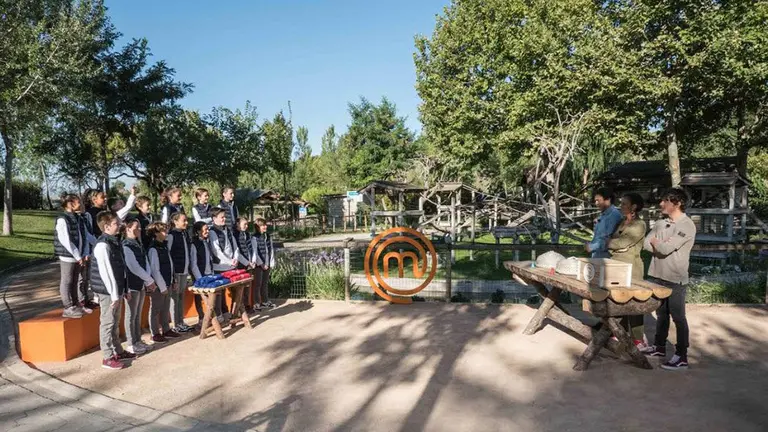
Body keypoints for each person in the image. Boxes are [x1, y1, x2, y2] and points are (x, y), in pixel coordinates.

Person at [642, 187, 697, 370]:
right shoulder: (660, 223)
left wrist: (656, 242)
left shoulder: (686, 225)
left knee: (678, 317)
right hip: (657, 275)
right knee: (661, 314)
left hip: (675, 278)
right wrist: (660, 243)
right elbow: (645, 244)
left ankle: (682, 356)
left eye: (665, 200)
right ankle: (659, 347)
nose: (661, 203)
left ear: (677, 202)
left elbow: (663, 249)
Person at [90, 211, 135, 370]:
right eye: (117, 223)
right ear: (107, 226)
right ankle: (107, 357)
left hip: (117, 291)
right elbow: (105, 272)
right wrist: (114, 295)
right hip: (108, 292)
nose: (120, 225)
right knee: (108, 323)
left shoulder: (115, 242)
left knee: (115, 322)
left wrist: (125, 288)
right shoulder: (103, 245)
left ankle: (118, 350)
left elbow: (121, 268)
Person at [607, 193, 648, 350]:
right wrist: (616, 244)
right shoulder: (622, 222)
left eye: (624, 204)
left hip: (632, 268)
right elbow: (617, 243)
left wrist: (612, 243)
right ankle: (620, 332)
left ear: (634, 207)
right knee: (618, 300)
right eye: (621, 203)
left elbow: (623, 242)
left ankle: (638, 338)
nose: (621, 206)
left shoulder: (639, 225)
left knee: (635, 303)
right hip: (617, 266)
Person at [54, 194, 94, 318]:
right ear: (70, 203)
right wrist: (77, 255)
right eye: (78, 202)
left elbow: (86, 236)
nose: (81, 204)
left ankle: (76, 304)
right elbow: (65, 240)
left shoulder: (79, 218)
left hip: (79, 255)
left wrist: (86, 252)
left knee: (75, 280)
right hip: (68, 255)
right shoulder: (62, 219)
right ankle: (68, 307)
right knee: (67, 280)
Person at [121, 216, 156, 355]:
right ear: (128, 228)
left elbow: (145, 262)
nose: (139, 230)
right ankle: (131, 343)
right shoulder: (126, 245)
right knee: (131, 315)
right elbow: (133, 267)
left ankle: (137, 340)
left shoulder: (138, 243)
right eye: (136, 228)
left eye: (140, 228)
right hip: (132, 284)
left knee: (137, 314)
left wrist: (148, 279)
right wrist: (149, 280)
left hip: (141, 283)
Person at [147, 222, 180, 343]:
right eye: (163, 231)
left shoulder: (164, 246)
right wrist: (162, 287)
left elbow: (170, 264)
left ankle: (166, 329)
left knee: (165, 308)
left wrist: (173, 280)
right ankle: (154, 332)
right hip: (159, 286)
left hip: (168, 282)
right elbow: (155, 270)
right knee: (156, 309)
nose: (166, 233)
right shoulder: (153, 249)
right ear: (156, 233)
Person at [209, 208, 239, 320]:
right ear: (214, 218)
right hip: (220, 266)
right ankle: (219, 313)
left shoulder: (227, 230)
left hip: (231, 265)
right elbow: (217, 251)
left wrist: (235, 258)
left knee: (234, 290)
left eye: (224, 217)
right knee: (219, 292)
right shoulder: (212, 232)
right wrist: (229, 261)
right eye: (221, 217)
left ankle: (230, 311)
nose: (224, 219)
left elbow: (235, 246)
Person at [167, 212, 193, 333]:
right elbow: (169, 254)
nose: (186, 222)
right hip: (176, 271)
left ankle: (181, 321)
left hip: (184, 270)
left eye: (186, 220)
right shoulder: (171, 235)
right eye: (184, 220)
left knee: (181, 297)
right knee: (175, 298)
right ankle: (175, 324)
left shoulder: (184, 234)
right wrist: (172, 276)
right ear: (175, 222)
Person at [585, 188, 623, 258]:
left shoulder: (613, 215)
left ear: (608, 200)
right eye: (595, 201)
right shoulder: (604, 214)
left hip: (605, 257)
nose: (596, 203)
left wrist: (591, 247)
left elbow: (607, 240)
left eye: (598, 200)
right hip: (597, 255)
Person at [189, 221, 214, 328]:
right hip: (200, 276)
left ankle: (210, 317)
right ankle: (201, 317)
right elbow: (193, 264)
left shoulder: (206, 242)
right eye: (205, 229)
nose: (207, 231)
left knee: (210, 299)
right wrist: (199, 279)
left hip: (209, 273)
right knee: (200, 298)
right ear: (198, 231)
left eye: (208, 229)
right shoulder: (194, 244)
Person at [234, 217, 258, 312]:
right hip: (241, 264)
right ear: (238, 224)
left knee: (247, 286)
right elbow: (236, 252)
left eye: (247, 224)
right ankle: (240, 307)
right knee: (240, 288)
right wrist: (246, 262)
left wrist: (252, 261)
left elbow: (252, 248)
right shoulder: (235, 235)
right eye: (244, 224)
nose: (246, 226)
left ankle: (247, 305)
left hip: (249, 264)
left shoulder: (247, 235)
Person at [252, 218, 276, 309]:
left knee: (265, 283)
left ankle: (265, 301)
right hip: (259, 265)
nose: (265, 227)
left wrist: (271, 262)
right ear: (257, 227)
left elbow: (271, 250)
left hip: (267, 263)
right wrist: (261, 264)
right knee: (257, 284)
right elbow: (255, 252)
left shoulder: (268, 237)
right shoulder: (254, 237)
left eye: (265, 225)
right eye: (262, 225)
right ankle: (257, 303)